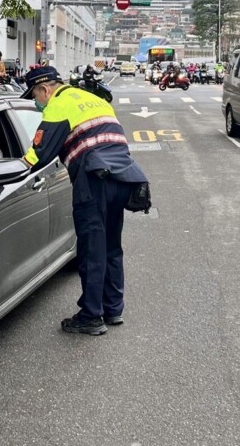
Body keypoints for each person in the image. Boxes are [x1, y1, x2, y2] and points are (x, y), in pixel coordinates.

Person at [21, 66, 148, 336]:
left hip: (93, 181)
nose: (36, 102)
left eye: (35, 95)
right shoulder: (95, 99)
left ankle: (91, 316)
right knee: (112, 246)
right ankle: (113, 309)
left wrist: (15, 166)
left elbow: (39, 156)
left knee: (92, 248)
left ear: (45, 89)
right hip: (123, 178)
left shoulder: (58, 104)